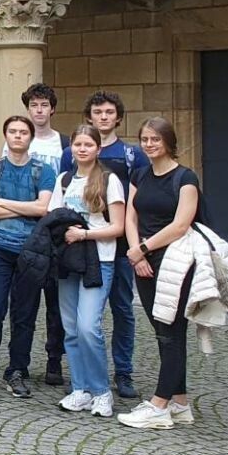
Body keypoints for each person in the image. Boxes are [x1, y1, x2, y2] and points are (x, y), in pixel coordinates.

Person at [60, 90, 149, 401]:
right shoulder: (68, 163)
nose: (104, 116)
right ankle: (81, 382)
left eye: (109, 112)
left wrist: (136, 243)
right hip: (76, 253)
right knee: (79, 322)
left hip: (117, 245)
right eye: (98, 112)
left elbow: (136, 200)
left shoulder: (131, 155)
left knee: (121, 309)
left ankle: (122, 373)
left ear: (118, 117)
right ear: (89, 117)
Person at [119, 117, 202, 430]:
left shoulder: (185, 178)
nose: (149, 144)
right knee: (163, 331)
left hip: (175, 263)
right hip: (143, 261)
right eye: (144, 139)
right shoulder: (140, 174)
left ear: (169, 142)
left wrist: (143, 248)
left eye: (155, 139)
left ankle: (159, 405)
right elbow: (131, 216)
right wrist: (135, 251)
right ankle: (179, 403)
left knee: (171, 333)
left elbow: (181, 225)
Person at [0, 115, 56, 398]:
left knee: (24, 314)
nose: (18, 136)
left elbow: (43, 209)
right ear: (6, 136)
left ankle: (17, 370)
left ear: (30, 138)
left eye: (23, 132)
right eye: (13, 131)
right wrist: (23, 208)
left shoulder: (44, 170)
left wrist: (2, 202)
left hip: (31, 252)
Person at [54, 123, 129, 419]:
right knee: (71, 328)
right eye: (77, 144)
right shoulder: (64, 179)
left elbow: (118, 226)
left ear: (97, 148)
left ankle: (100, 391)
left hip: (100, 259)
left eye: (88, 144)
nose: (82, 149)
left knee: (89, 326)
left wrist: (84, 234)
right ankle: (80, 388)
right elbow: (53, 217)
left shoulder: (109, 180)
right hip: (69, 259)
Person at [21, 82, 67, 386]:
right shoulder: (19, 139)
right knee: (24, 300)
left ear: (52, 108)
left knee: (56, 300)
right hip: (26, 227)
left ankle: (54, 359)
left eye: (43, 105)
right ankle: (19, 362)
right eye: (34, 105)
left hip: (56, 229)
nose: (39, 110)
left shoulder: (64, 143)